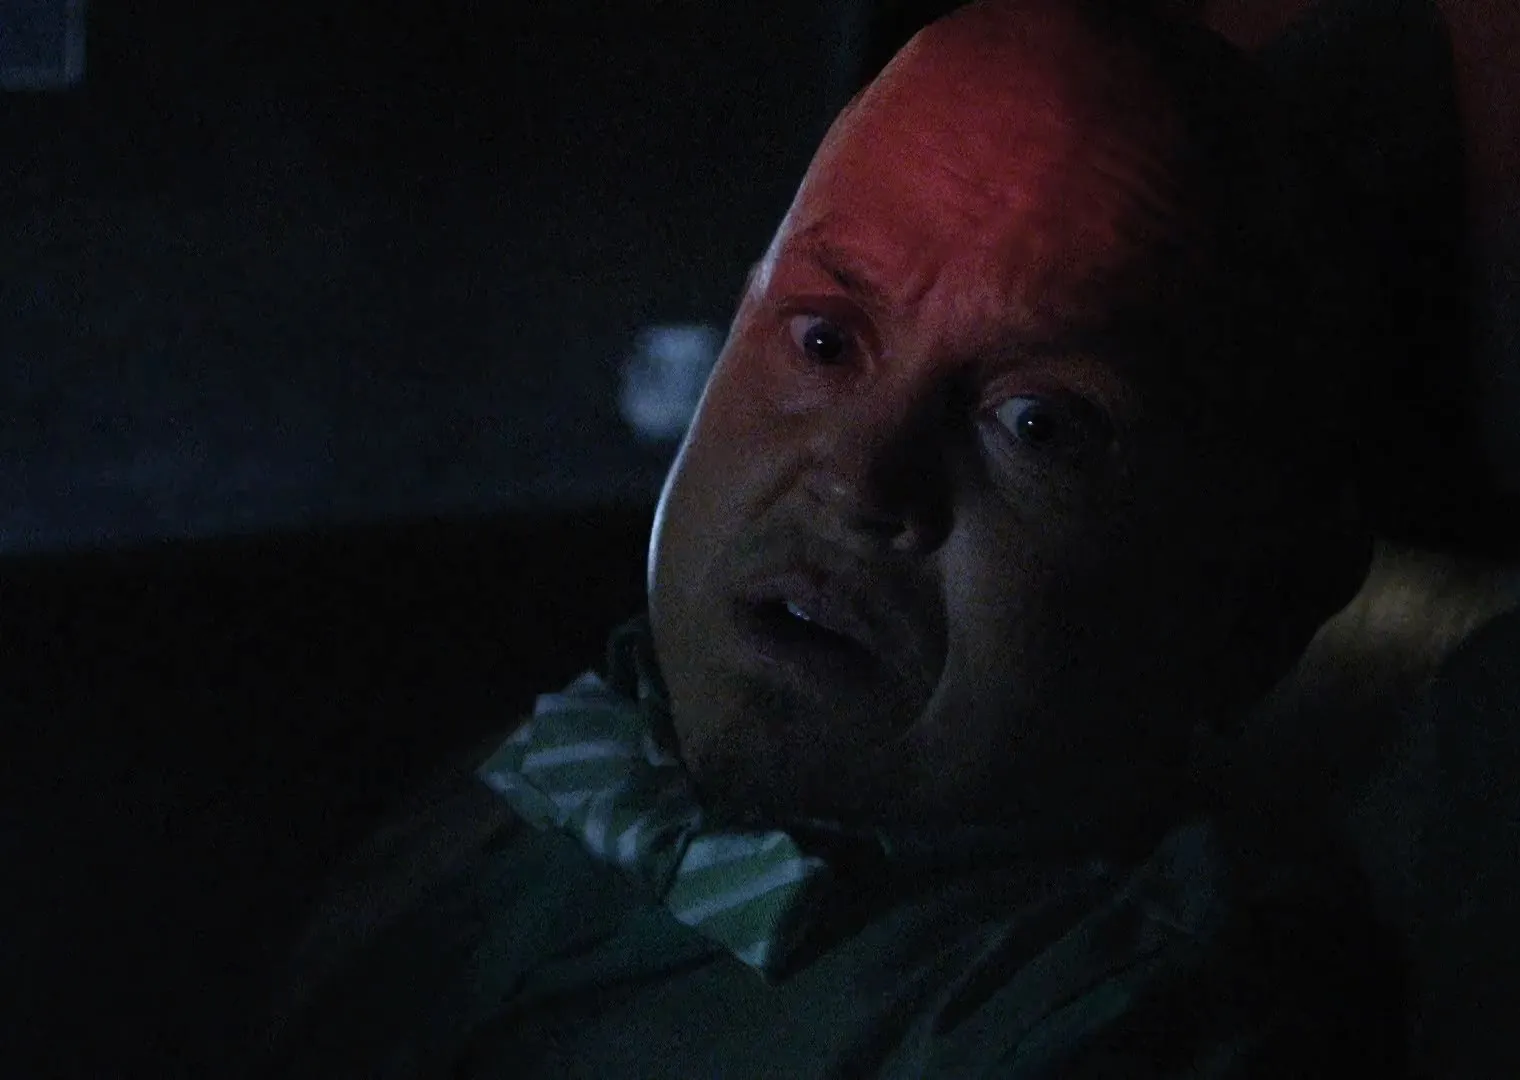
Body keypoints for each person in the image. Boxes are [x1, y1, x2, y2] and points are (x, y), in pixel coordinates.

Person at [253, 1, 1398, 1075]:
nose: (859, 477)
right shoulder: (576, 752)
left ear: (1245, 612)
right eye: (823, 340)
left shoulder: (1120, 1019)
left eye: (1036, 424)